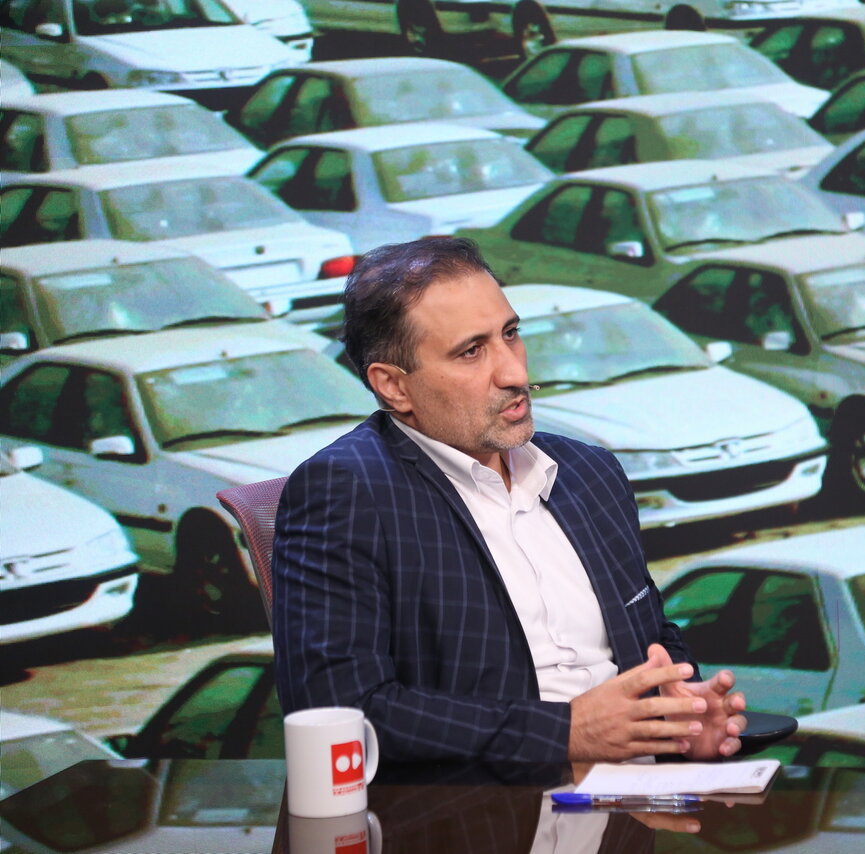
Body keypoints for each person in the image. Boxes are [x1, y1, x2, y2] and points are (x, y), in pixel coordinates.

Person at [272, 237, 747, 764]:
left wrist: (681, 718)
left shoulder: (591, 472)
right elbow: (343, 710)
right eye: (471, 352)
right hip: (486, 806)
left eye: (511, 334)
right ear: (394, 387)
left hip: (640, 799)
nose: (516, 374)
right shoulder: (346, 491)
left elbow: (652, 635)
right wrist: (563, 733)